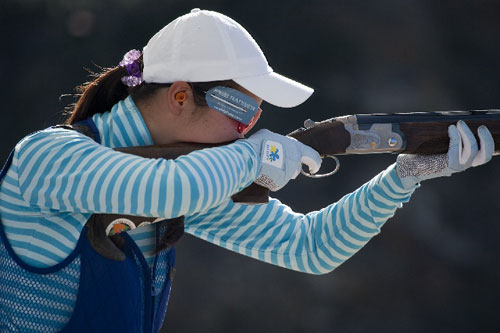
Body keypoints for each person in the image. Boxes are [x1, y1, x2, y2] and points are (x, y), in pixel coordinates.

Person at [0, 8, 494, 332]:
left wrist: (403, 177)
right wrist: (257, 155)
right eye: (242, 114)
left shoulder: (196, 183)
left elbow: (311, 248)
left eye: (256, 119)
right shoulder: (47, 157)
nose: (249, 129)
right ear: (178, 96)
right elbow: (172, 190)